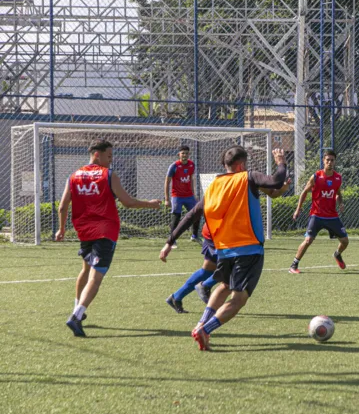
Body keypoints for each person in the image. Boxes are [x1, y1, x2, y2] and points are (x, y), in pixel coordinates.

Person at [159, 146, 287, 350]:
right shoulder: (248, 177)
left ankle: (201, 322)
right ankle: (205, 330)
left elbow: (192, 214)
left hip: (224, 251)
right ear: (241, 165)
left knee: (224, 287)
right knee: (238, 300)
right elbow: (276, 181)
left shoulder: (214, 186)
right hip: (249, 250)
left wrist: (169, 241)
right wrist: (281, 161)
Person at [56, 139, 162, 337]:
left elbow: (62, 206)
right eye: (109, 156)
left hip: (84, 232)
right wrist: (150, 204)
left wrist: (61, 229)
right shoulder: (108, 175)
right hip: (105, 232)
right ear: (97, 154)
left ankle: (75, 308)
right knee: (96, 278)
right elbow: (128, 202)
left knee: (86, 269)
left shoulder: (73, 176)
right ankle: (77, 316)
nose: (111, 160)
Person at [165, 178, 292, 313]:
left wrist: (283, 187)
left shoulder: (246, 182)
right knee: (232, 268)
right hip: (217, 235)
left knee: (208, 270)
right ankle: (204, 286)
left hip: (217, 233)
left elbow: (272, 192)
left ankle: (176, 297)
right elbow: (194, 214)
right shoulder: (236, 185)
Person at [289, 150, 348, 274]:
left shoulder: (338, 178)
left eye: (332, 160)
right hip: (317, 215)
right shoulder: (316, 176)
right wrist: (298, 209)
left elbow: (338, 194)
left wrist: (340, 203)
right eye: (327, 160)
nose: (330, 162)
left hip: (332, 216)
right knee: (308, 240)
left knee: (345, 241)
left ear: (335, 162)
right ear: (323, 161)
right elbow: (304, 192)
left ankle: (337, 254)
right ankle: (294, 265)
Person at [164, 145, 200, 246]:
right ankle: (172, 240)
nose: (184, 155)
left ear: (189, 154)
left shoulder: (192, 165)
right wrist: (167, 199)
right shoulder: (174, 166)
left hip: (189, 196)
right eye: (182, 153)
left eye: (186, 153)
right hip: (177, 196)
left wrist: (194, 194)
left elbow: (191, 179)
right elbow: (167, 182)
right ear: (179, 154)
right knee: (176, 216)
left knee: (197, 213)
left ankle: (195, 236)